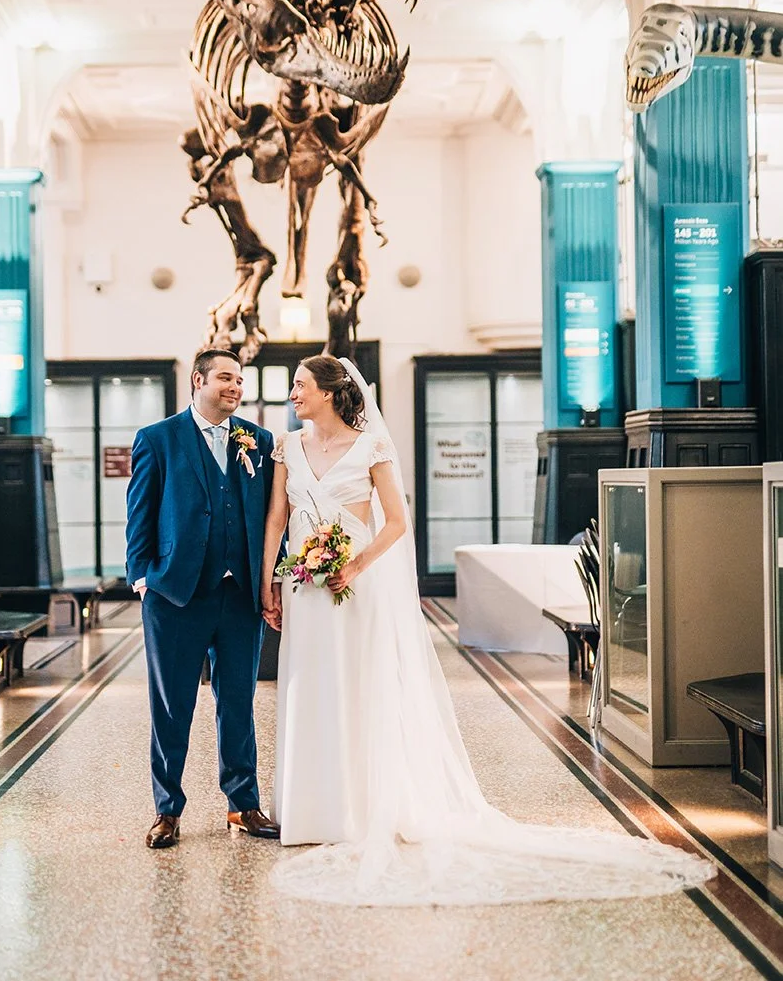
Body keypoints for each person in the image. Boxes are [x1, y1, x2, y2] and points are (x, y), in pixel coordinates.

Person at [260, 355, 716, 907]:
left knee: (358, 688)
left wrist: (355, 565)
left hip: (354, 585)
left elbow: (397, 523)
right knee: (308, 689)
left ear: (330, 393)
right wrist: (269, 583)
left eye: (301, 384)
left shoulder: (371, 447)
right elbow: (277, 520)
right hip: (304, 588)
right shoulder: (287, 447)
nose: (293, 393)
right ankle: (308, 808)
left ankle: (356, 808)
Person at [125, 348, 279, 848]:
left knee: (238, 702)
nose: (235, 387)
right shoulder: (158, 439)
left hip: (239, 596)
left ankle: (243, 804)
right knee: (172, 706)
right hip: (175, 595)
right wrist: (142, 578)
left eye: (240, 380)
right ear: (198, 380)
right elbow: (140, 513)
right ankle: (167, 810)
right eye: (225, 378)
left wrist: (270, 581)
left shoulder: (258, 441)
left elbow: (269, 517)